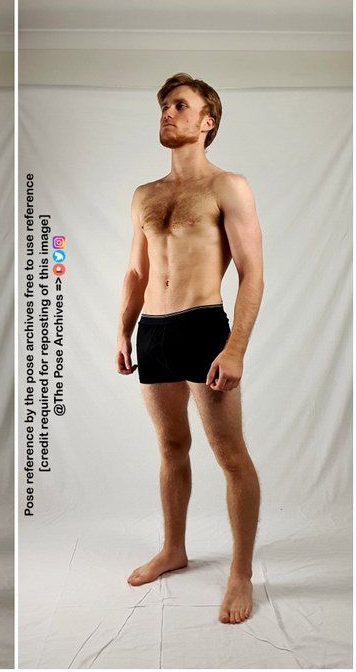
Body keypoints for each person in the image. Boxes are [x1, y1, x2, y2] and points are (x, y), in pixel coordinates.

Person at [116, 73, 264, 625]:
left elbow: (252, 274)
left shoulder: (229, 187)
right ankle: (174, 548)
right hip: (153, 332)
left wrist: (236, 347)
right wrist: (122, 330)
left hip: (204, 327)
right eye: (163, 105)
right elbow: (136, 270)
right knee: (171, 447)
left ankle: (241, 572)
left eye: (180, 105)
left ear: (208, 121)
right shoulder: (145, 195)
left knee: (231, 457)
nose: (167, 112)